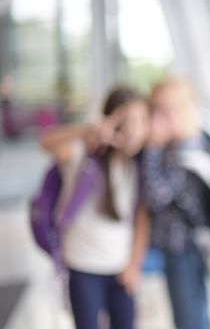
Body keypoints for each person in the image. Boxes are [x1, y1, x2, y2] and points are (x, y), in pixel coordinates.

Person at [39, 86, 151, 329]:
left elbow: (142, 218)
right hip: (83, 267)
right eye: (128, 122)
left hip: (121, 269)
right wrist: (89, 129)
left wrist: (134, 264)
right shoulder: (83, 155)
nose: (135, 130)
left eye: (143, 121)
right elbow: (46, 142)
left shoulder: (140, 165)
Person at [142, 78, 210, 329]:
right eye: (155, 109)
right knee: (195, 312)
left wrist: (152, 145)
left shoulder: (186, 149)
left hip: (183, 246)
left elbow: (157, 195)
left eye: (164, 110)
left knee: (189, 319)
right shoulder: (184, 144)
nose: (157, 118)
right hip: (185, 245)